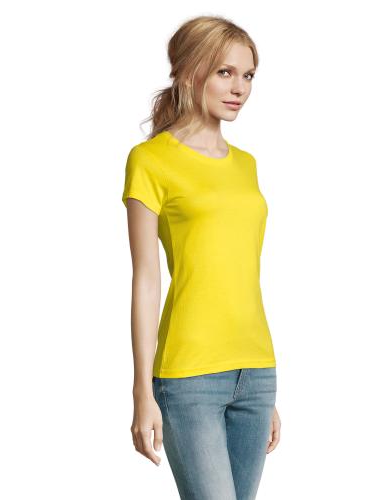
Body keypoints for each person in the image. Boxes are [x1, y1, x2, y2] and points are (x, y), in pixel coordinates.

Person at [122, 15, 281, 500]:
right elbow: (146, 280)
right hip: (189, 376)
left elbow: (239, 272)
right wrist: (142, 390)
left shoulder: (246, 165)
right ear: (190, 71)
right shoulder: (151, 160)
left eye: (248, 75)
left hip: (256, 371)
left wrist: (264, 393)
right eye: (224, 72)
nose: (240, 88)